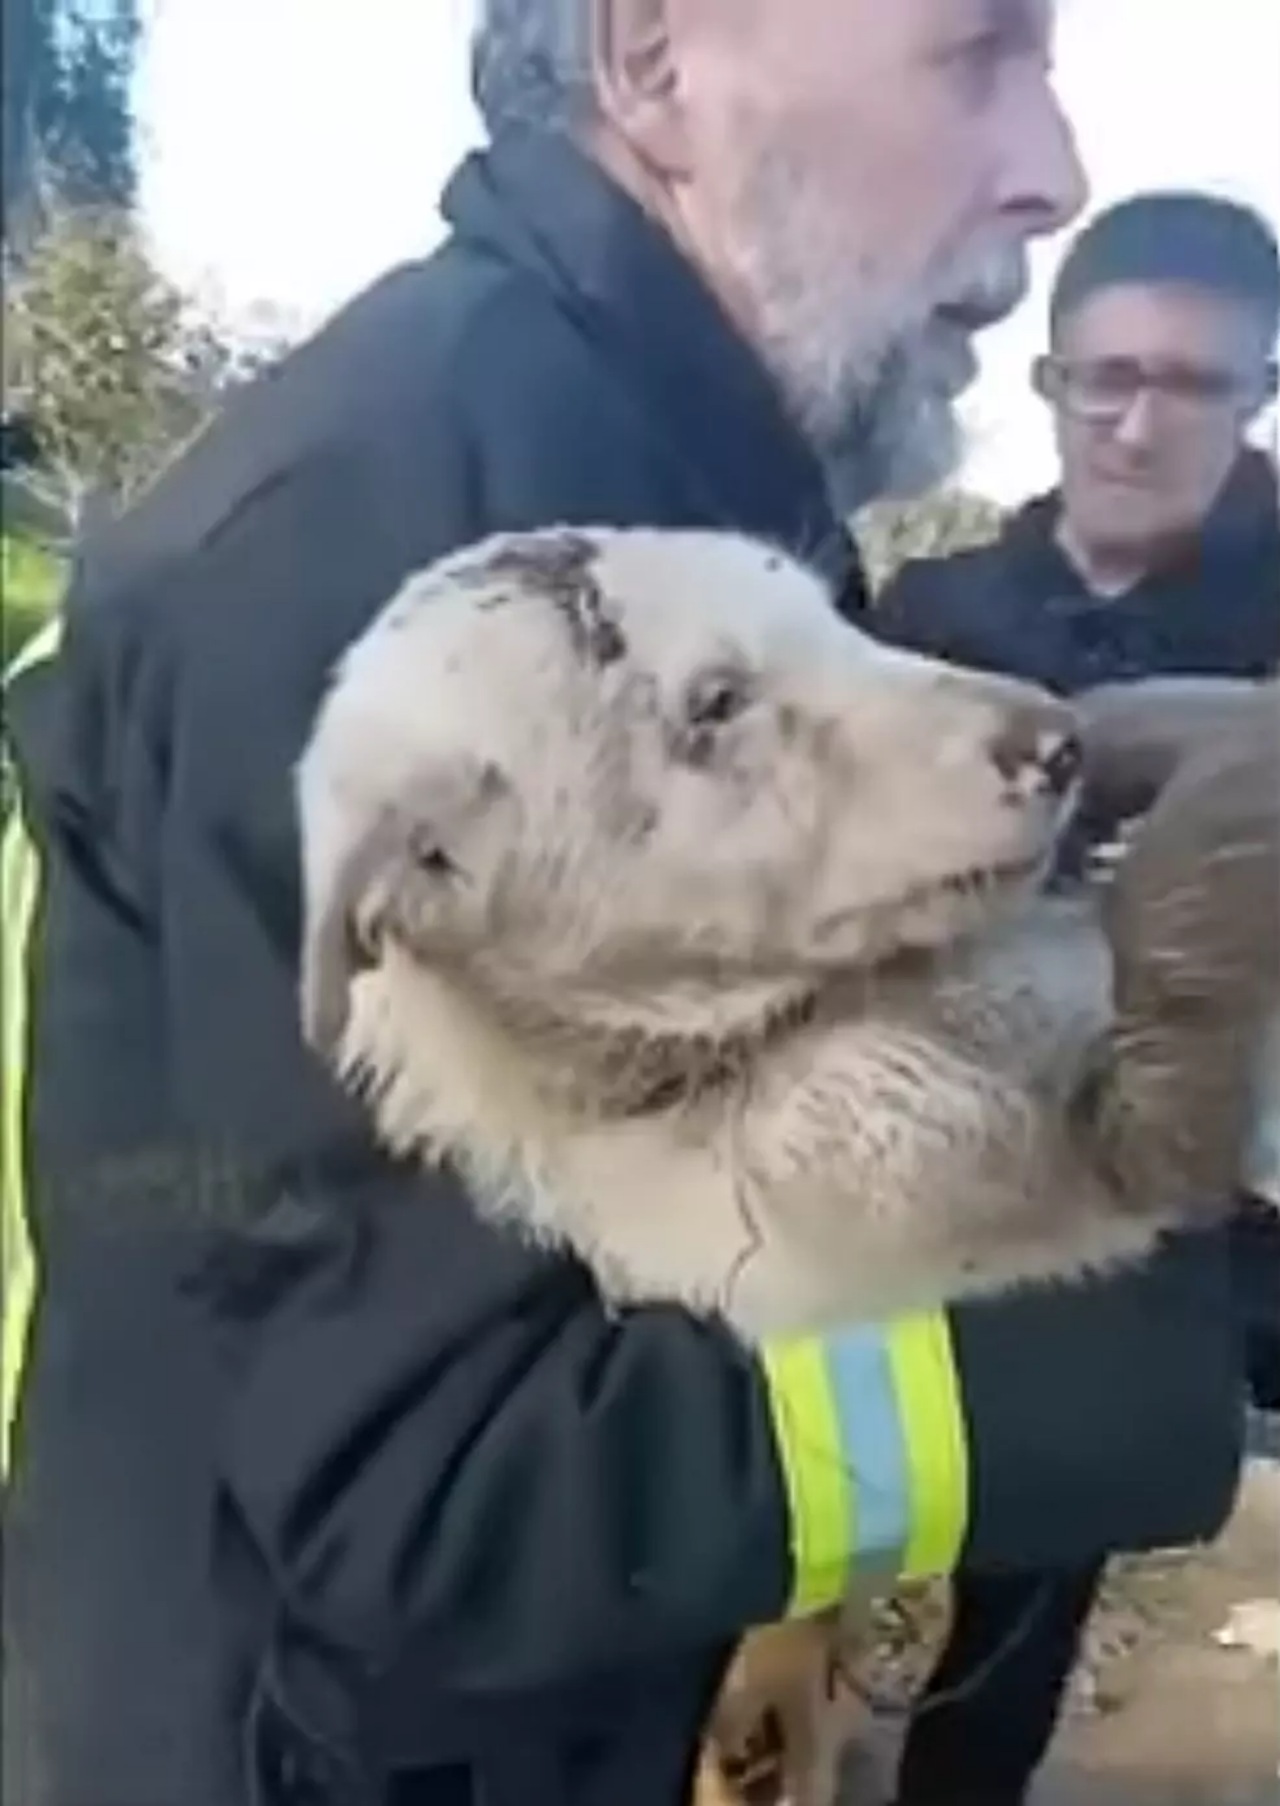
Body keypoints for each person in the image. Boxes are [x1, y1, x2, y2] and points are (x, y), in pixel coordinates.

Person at [0, 11, 1249, 1805]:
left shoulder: (657, 481)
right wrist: (1149, 1230)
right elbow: (429, 1488)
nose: (1051, 168)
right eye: (977, 49)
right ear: (653, 56)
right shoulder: (410, 553)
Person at [876, 189, 1280, 1806]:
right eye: (1095, 376)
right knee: (1020, 1573)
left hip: (1258, 1195)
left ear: (1256, 392)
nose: (1132, 421)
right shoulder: (935, 620)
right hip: (1025, 1179)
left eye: (1188, 383)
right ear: (1041, 377)